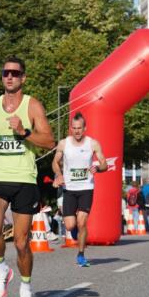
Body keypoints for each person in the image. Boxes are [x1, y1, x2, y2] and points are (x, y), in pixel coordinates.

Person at [0, 57, 56, 297]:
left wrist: (24, 132)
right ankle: (2, 269)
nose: (10, 76)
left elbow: (49, 141)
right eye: (6, 72)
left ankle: (25, 287)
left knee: (22, 242)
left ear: (23, 77)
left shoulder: (32, 105)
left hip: (24, 177)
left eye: (15, 73)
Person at [52, 112, 108, 267]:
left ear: (85, 128)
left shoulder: (93, 143)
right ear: (71, 128)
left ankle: (81, 254)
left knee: (82, 222)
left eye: (79, 128)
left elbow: (104, 164)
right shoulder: (64, 143)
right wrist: (58, 174)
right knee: (70, 225)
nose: (77, 131)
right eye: (74, 128)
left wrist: (98, 168)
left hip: (86, 188)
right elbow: (55, 162)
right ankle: (76, 231)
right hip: (69, 188)